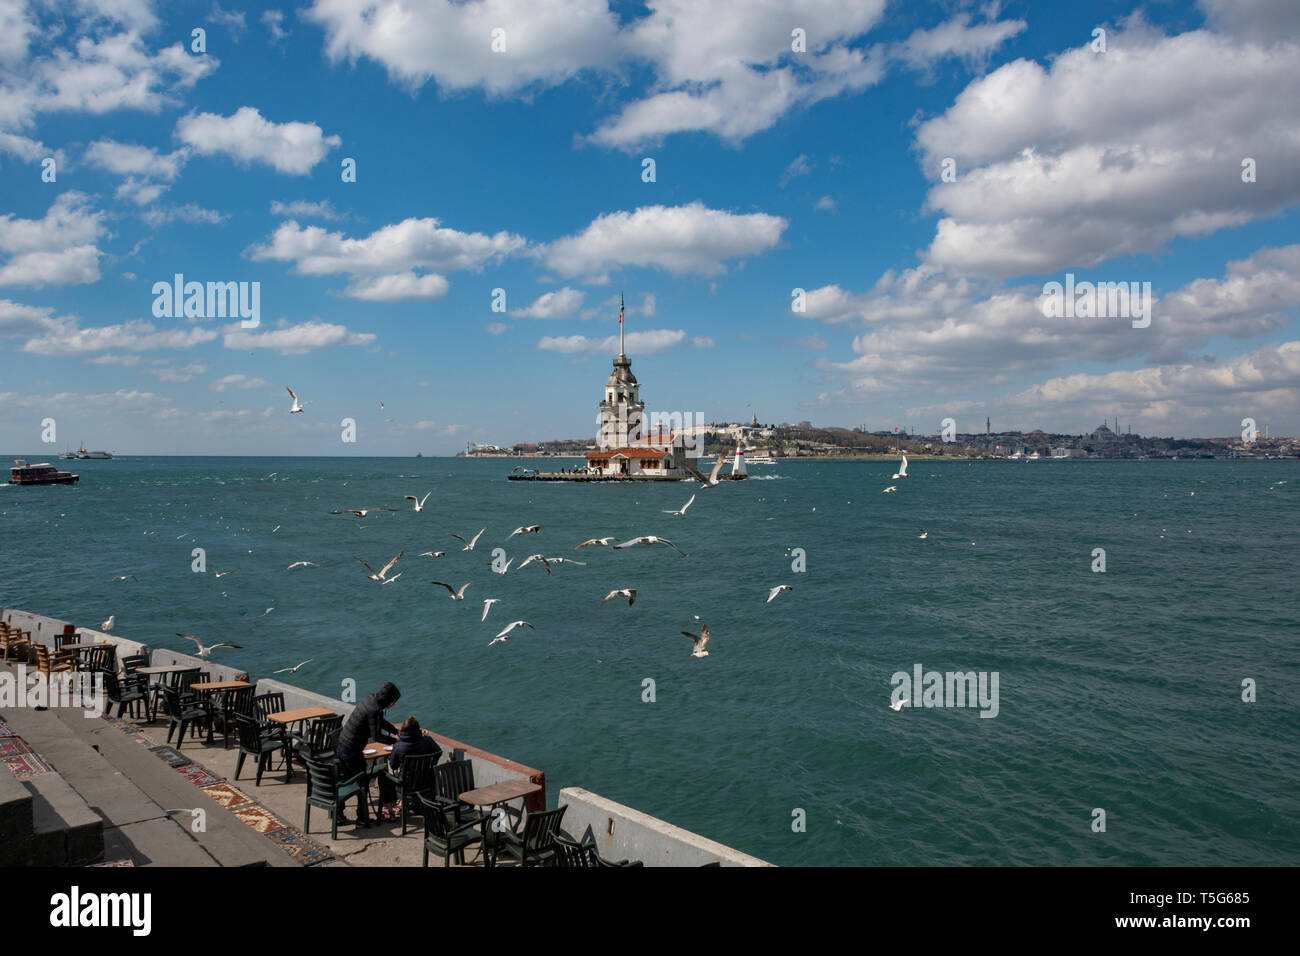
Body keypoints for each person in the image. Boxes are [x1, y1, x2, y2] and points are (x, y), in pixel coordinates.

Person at [334, 682, 401, 824]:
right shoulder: (375, 710)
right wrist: (396, 742)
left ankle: (338, 815)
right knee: (362, 783)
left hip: (342, 744)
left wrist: (396, 731)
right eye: (394, 702)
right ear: (390, 701)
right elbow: (377, 737)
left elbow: (379, 721)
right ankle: (362, 819)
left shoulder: (370, 699)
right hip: (352, 749)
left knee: (344, 780)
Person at [378, 716, 442, 821]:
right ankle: (403, 804)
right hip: (425, 783)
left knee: (383, 776)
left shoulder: (398, 745)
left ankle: (390, 811)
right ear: (418, 729)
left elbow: (394, 766)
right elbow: (438, 752)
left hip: (405, 786)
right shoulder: (427, 741)